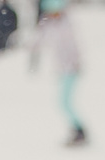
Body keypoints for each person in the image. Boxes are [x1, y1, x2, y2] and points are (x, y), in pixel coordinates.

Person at [36, 0, 87, 146]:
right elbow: (39, 40)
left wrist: (75, 64)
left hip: (71, 68)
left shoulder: (66, 25)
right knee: (63, 103)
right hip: (62, 69)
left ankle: (79, 131)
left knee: (64, 103)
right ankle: (77, 131)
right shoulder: (50, 25)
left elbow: (73, 47)